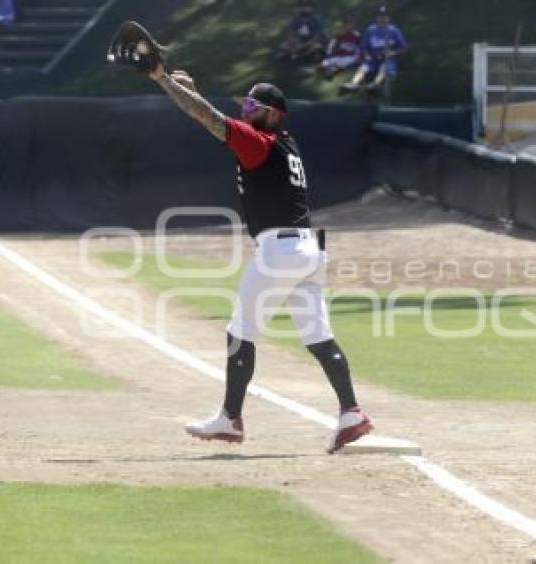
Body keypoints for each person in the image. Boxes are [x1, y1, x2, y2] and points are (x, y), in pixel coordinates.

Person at [142, 62, 372, 452]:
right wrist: (194, 91)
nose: (246, 110)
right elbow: (215, 119)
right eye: (245, 105)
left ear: (273, 113)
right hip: (309, 251)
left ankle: (230, 419)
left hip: (280, 251)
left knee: (240, 331)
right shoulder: (285, 143)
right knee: (318, 337)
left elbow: (207, 117)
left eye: (252, 106)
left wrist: (162, 80)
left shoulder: (260, 143)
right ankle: (351, 412)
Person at [340, 6, 407, 95]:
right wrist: (368, 55)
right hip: (373, 57)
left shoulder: (393, 30)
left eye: (384, 17)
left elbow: (404, 48)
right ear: (376, 18)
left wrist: (392, 53)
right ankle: (354, 83)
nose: (382, 19)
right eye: (380, 16)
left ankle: (376, 84)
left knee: (384, 67)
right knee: (364, 67)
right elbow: (364, 47)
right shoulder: (371, 30)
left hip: (388, 58)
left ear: (388, 18)